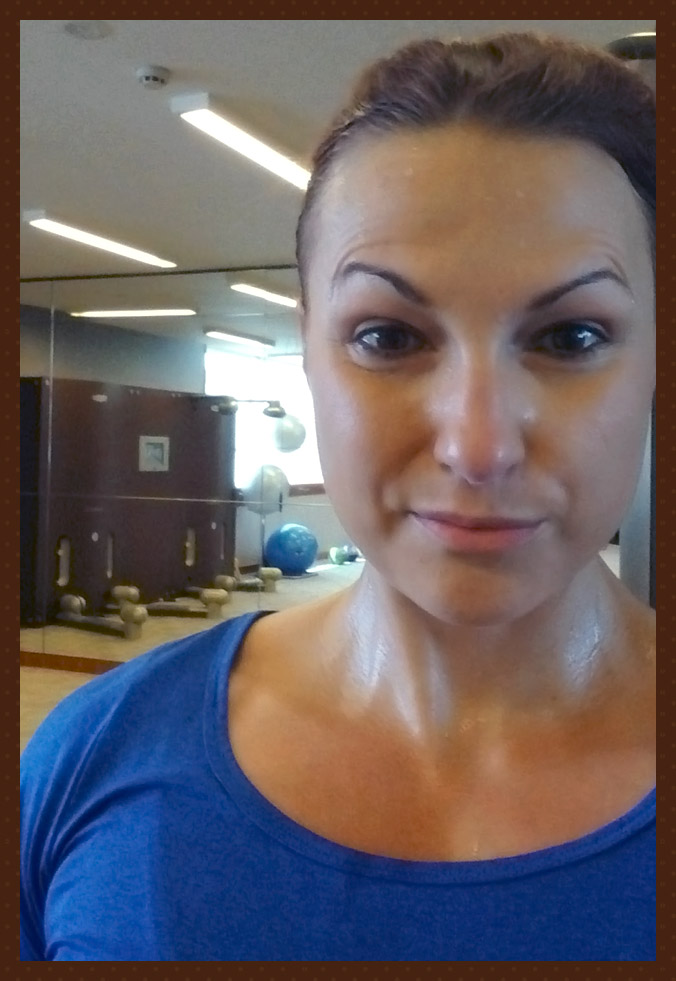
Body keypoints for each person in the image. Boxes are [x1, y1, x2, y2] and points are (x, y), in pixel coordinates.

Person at [21, 31, 655, 961]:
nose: (477, 445)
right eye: (388, 338)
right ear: (310, 347)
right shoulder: (97, 758)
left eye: (572, 338)